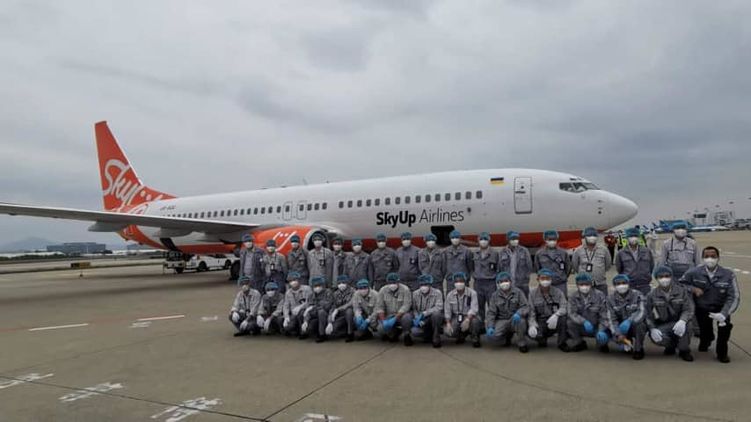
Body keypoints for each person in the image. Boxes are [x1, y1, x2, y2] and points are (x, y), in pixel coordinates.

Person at [680, 247, 740, 363]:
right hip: (702, 307)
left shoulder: (728, 274)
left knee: (724, 328)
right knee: (704, 330)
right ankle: (706, 339)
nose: (710, 259)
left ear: (718, 258)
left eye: (713, 256)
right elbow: (681, 284)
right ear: (703, 258)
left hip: (721, 307)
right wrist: (693, 289)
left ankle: (722, 353)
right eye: (706, 256)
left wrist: (724, 313)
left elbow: (734, 296)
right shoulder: (694, 272)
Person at [647, 265, 695, 362]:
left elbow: (688, 309)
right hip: (664, 323)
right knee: (655, 337)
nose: (664, 279)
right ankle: (671, 346)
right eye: (661, 277)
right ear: (656, 278)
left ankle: (684, 350)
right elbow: (647, 313)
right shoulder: (652, 294)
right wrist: (652, 328)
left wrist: (682, 320)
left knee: (689, 325)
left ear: (671, 277)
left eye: (667, 276)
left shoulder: (681, 291)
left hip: (679, 321)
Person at [485, 272, 529, 353]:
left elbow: (525, 306)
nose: (504, 283)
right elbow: (491, 313)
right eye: (501, 282)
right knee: (492, 337)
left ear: (510, 281)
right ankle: (506, 337)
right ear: (498, 284)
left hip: (514, 319)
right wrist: (490, 326)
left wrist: (519, 313)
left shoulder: (518, 292)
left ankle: (522, 343)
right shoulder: (495, 295)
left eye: (506, 281)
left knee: (522, 322)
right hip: (502, 320)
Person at [605, 274, 647, 360]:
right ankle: (626, 341)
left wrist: (630, 321)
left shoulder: (638, 295)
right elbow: (611, 319)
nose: (621, 286)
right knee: (618, 343)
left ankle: (638, 349)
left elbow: (642, 312)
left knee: (641, 325)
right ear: (614, 286)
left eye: (624, 283)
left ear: (628, 284)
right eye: (618, 284)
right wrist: (618, 334)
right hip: (620, 328)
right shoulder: (610, 299)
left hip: (634, 325)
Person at [566, 273, 610, 353]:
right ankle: (579, 342)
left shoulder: (600, 295)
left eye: (587, 284)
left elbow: (604, 315)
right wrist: (584, 321)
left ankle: (602, 343)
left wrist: (601, 330)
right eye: (581, 284)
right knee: (569, 322)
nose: (584, 287)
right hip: (582, 325)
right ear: (577, 285)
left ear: (591, 284)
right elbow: (572, 313)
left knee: (602, 342)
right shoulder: (573, 296)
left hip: (597, 326)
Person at [527, 269, 569, 352]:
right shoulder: (532, 294)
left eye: (547, 278)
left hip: (554, 320)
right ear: (538, 279)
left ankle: (562, 343)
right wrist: (532, 325)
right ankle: (542, 338)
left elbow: (565, 306)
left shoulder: (558, 292)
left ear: (551, 279)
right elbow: (531, 311)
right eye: (543, 278)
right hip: (541, 321)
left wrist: (557, 315)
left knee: (564, 318)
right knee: (532, 333)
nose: (545, 281)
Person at [444, 272, 482, 347]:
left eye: (461, 281)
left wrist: (467, 319)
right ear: (454, 283)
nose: (459, 283)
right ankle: (461, 335)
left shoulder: (472, 293)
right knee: (447, 332)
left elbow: (474, 309)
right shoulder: (450, 295)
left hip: (470, 317)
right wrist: (448, 323)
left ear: (465, 282)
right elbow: (447, 310)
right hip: (456, 317)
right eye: (457, 282)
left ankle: (475, 338)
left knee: (476, 322)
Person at [405, 274, 444, 348]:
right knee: (415, 332)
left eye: (426, 285)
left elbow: (439, 307)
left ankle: (436, 337)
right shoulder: (415, 294)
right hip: (420, 318)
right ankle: (427, 335)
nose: (423, 287)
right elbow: (414, 308)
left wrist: (425, 313)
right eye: (422, 285)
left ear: (430, 285)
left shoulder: (437, 293)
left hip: (431, 317)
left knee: (437, 314)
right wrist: (417, 317)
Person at [572, 227, 612, 296]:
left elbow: (608, 265)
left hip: (600, 283)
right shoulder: (578, 250)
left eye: (594, 235)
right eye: (589, 235)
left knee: (603, 301)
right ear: (585, 237)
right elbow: (575, 265)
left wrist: (599, 271)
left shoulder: (604, 249)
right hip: (584, 284)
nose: (592, 237)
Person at [615, 227, 655, 295]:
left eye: (635, 236)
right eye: (631, 236)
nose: (633, 238)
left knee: (645, 301)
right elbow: (619, 269)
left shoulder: (646, 251)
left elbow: (651, 266)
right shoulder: (621, 253)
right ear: (627, 238)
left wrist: (646, 276)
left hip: (644, 284)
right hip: (629, 285)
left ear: (638, 237)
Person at [375, 273, 413, 343]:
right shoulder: (382, 290)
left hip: (401, 315)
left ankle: (407, 334)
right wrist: (384, 321)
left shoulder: (405, 289)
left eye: (394, 282)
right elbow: (380, 307)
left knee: (407, 317)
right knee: (380, 329)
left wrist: (395, 318)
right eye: (390, 283)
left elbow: (406, 305)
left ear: (398, 282)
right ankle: (393, 333)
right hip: (389, 315)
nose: (392, 284)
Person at [472, 232, 501, 320]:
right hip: (478, 283)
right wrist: (474, 275)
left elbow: (498, 268)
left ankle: (492, 324)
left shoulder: (494, 253)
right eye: (481, 239)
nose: (483, 241)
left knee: (492, 305)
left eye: (485, 239)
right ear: (478, 241)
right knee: (479, 306)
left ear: (489, 240)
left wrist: (496, 278)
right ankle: (480, 325)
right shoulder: (475, 253)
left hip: (490, 283)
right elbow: (471, 266)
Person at [534, 230, 571, 297]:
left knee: (562, 300)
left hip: (560, 283)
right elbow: (537, 269)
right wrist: (544, 278)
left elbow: (568, 268)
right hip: (545, 283)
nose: (552, 241)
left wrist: (562, 277)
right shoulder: (539, 254)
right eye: (550, 239)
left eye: (554, 239)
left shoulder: (563, 253)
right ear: (545, 240)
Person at [499, 230, 534, 296]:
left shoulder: (524, 251)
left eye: (516, 238)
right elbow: (500, 268)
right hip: (508, 284)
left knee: (524, 301)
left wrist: (526, 280)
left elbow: (529, 266)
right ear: (508, 240)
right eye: (513, 239)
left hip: (522, 284)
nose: (515, 240)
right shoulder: (502, 252)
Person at [302, 276, 334, 343]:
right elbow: (308, 308)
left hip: (327, 315)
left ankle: (322, 335)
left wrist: (314, 307)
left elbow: (327, 306)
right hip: (315, 316)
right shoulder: (311, 295)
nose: (317, 288)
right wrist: (305, 321)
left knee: (321, 312)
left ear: (323, 285)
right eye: (315, 286)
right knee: (309, 327)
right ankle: (307, 331)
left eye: (319, 286)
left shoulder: (328, 292)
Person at [281, 272, 312, 337]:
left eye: (295, 280)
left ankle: (303, 331)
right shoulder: (288, 293)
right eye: (291, 281)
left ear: (299, 280)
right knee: (287, 328)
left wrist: (300, 307)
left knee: (301, 312)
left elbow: (310, 302)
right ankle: (296, 329)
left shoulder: (307, 289)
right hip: (294, 314)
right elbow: (286, 306)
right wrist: (286, 317)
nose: (293, 282)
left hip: (306, 313)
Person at [327, 274, 356, 342]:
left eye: (343, 282)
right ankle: (345, 331)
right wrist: (329, 322)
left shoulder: (353, 291)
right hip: (341, 316)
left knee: (349, 311)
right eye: (339, 283)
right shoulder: (335, 293)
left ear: (347, 283)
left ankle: (350, 333)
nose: (341, 285)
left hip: (351, 316)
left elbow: (351, 303)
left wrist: (338, 309)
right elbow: (333, 307)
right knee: (332, 331)